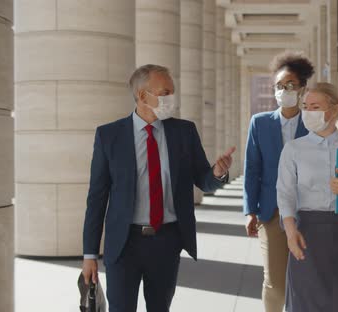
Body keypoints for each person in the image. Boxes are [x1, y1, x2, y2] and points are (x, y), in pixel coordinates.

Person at [81, 64, 235, 312]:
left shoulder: (184, 132)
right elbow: (96, 198)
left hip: (166, 240)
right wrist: (89, 254)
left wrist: (218, 172)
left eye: (172, 92)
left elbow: (203, 179)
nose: (171, 99)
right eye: (165, 93)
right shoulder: (109, 136)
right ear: (143, 96)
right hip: (123, 243)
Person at [277, 82, 338, 312]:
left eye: (315, 106)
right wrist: (291, 233)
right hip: (306, 231)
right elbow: (285, 193)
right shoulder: (293, 149)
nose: (308, 112)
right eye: (306, 106)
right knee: (305, 303)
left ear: (333, 110)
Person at [243, 51, 314, 311]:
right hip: (271, 212)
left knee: (306, 280)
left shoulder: (314, 124)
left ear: (303, 89)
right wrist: (250, 211)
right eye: (279, 86)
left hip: (308, 212)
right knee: (274, 282)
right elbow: (252, 169)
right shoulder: (259, 123)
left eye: (290, 85)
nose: (284, 90)